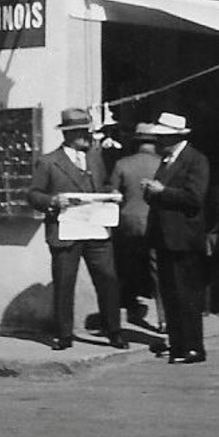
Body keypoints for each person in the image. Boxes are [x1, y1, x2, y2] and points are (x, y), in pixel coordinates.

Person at [27, 106, 129, 351]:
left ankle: (113, 330)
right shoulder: (49, 162)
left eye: (87, 130)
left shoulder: (95, 158)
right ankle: (64, 334)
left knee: (108, 280)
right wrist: (52, 201)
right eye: (82, 132)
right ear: (69, 135)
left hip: (95, 230)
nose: (87, 136)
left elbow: (102, 187)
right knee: (64, 283)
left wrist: (111, 194)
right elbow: (33, 194)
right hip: (66, 231)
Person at [142, 111, 210, 364]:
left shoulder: (195, 160)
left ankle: (194, 347)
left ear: (175, 136)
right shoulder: (167, 160)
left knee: (187, 294)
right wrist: (151, 191)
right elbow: (160, 196)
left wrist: (163, 191)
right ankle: (178, 345)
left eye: (163, 136)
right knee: (170, 293)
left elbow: (195, 198)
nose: (159, 141)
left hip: (184, 237)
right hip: (164, 236)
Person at [110, 123, 166, 332]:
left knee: (123, 267)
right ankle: (164, 319)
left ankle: (116, 315)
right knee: (158, 271)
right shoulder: (164, 165)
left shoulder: (122, 164)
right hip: (154, 222)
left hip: (127, 223)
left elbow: (113, 195)